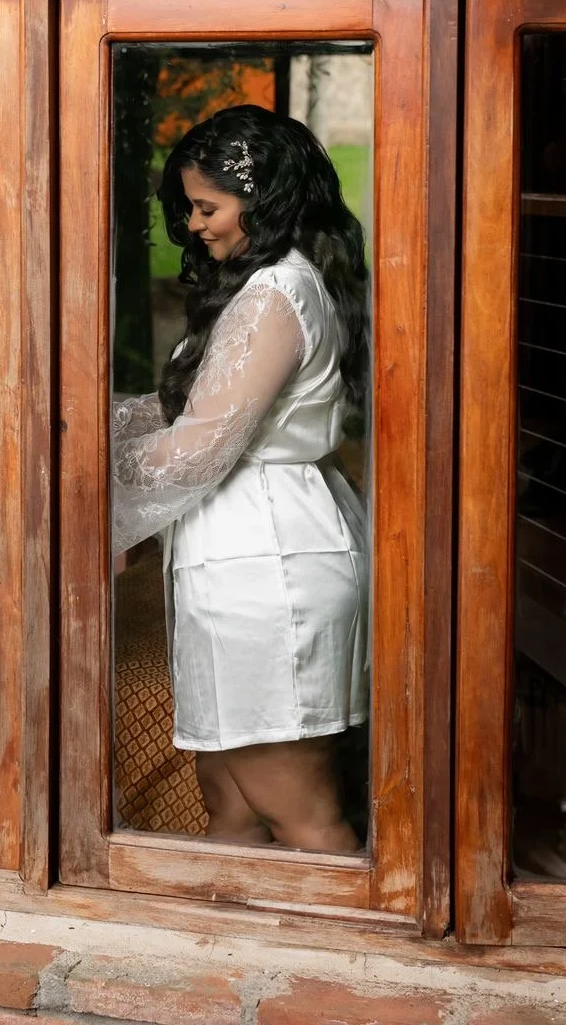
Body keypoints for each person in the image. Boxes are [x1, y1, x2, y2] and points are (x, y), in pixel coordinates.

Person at [111, 103, 369, 852]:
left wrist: (83, 473)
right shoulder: (274, 284)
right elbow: (203, 410)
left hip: (269, 564)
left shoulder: (273, 296)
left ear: (264, 200)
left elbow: (197, 448)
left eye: (207, 206)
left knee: (302, 812)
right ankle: (237, 961)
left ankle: (350, 964)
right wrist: (97, 422)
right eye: (189, 207)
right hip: (247, 551)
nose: (194, 225)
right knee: (232, 806)